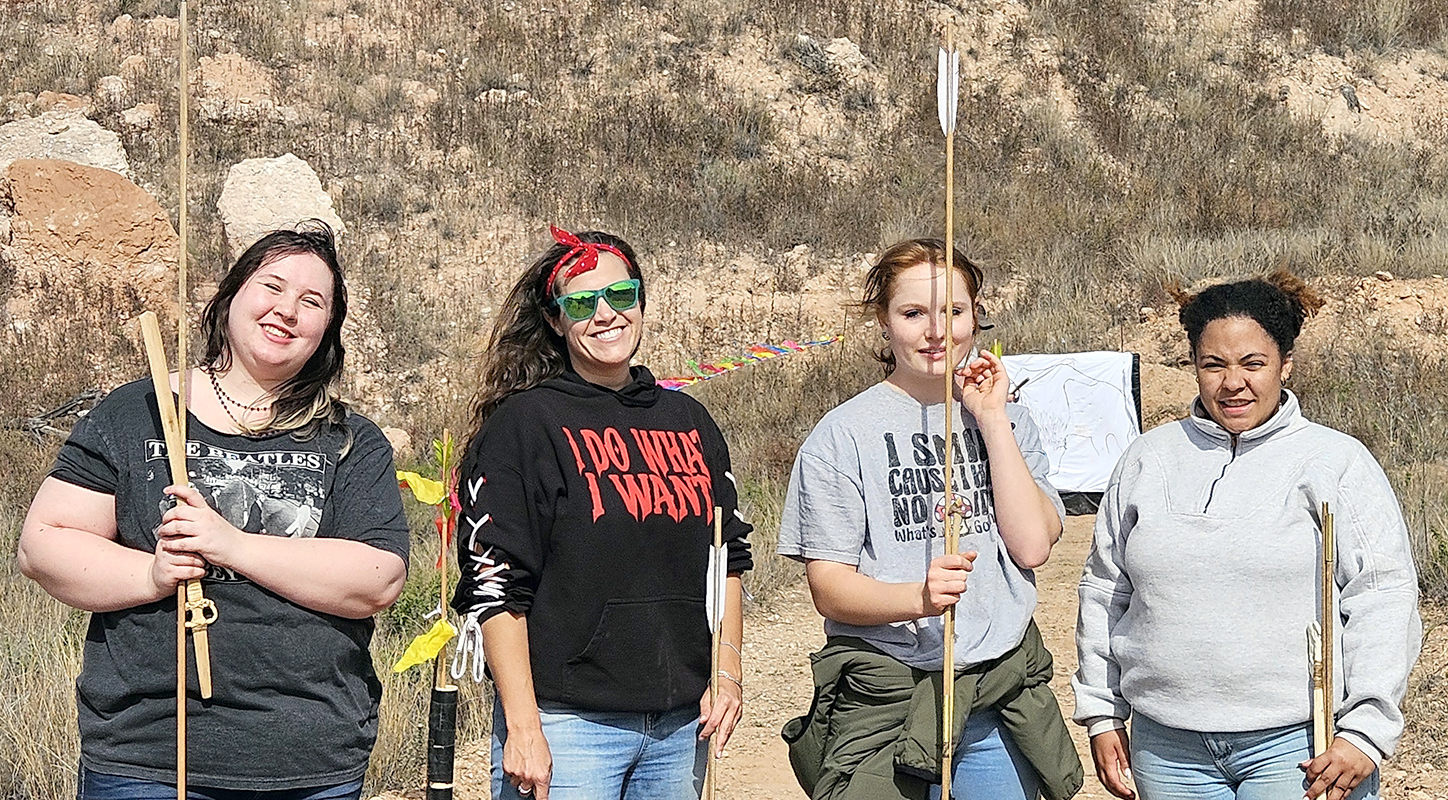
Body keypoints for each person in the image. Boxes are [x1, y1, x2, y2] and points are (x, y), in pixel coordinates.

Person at [17, 222, 410, 800]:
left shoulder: (351, 439)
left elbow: (378, 579)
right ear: (231, 296)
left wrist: (233, 545)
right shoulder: (139, 410)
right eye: (271, 287)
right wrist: (150, 573)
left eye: (312, 301)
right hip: (148, 756)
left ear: (327, 329)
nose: (287, 311)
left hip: (309, 759)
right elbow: (42, 545)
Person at [1073, 273, 1422, 800]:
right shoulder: (1148, 458)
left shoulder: (1336, 462)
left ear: (1285, 364)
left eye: (1253, 363)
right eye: (1214, 364)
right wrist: (1102, 713)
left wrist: (1365, 732)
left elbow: (1383, 597)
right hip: (1166, 748)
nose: (1232, 382)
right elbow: (1104, 590)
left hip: (1301, 745)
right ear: (1194, 366)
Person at [449, 226, 752, 800]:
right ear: (557, 320)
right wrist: (523, 727)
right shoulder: (524, 426)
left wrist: (727, 672)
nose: (606, 314)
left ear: (641, 300)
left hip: (680, 725)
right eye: (582, 302)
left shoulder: (690, 420)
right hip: (569, 728)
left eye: (621, 295)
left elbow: (727, 556)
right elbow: (495, 583)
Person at [777, 238, 1083, 800]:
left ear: (976, 316)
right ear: (884, 320)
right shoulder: (842, 436)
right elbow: (830, 587)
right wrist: (917, 598)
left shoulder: (1010, 419)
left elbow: (1034, 546)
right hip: (887, 697)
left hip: (995, 692)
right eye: (914, 313)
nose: (936, 331)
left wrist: (991, 420)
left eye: (955, 312)